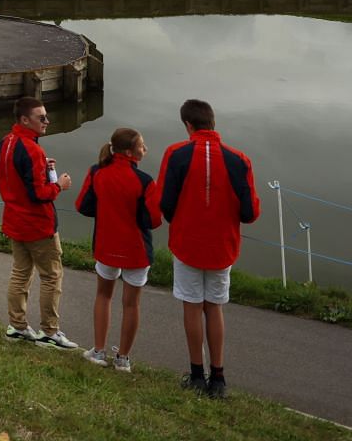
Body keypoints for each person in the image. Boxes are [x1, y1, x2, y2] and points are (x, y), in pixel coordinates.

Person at [157, 99, 259, 400]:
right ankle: (219, 378)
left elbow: (165, 202)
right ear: (213, 122)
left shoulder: (176, 154)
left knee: (191, 305)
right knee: (214, 306)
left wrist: (181, 219)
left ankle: (197, 375)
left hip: (187, 243)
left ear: (188, 125)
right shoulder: (239, 159)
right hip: (221, 247)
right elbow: (250, 212)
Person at [77, 127, 163, 371]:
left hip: (106, 245)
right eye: (141, 146)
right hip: (135, 250)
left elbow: (83, 205)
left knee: (103, 295)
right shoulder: (145, 181)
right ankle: (123, 359)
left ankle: (98, 351)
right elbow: (154, 220)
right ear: (129, 152)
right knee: (131, 304)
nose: (145, 149)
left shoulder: (97, 172)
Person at [0, 96, 79, 348]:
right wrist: (59, 185)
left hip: (14, 220)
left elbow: (17, 180)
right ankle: (50, 331)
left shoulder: (4, 143)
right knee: (51, 277)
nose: (47, 121)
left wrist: (44, 169)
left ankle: (17, 326)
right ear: (25, 119)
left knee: (20, 274)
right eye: (41, 118)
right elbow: (38, 194)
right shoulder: (32, 149)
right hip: (37, 225)